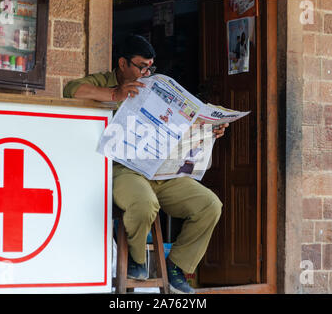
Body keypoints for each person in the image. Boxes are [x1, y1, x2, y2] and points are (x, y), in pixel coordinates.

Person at [64, 34, 229, 294]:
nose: (146, 72)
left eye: (150, 67)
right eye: (141, 66)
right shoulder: (104, 81)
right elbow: (71, 90)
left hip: (161, 171)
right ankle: (137, 261)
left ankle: (176, 267)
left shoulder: (155, 87)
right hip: (124, 170)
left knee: (209, 204)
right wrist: (114, 94)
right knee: (144, 203)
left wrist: (207, 130)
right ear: (122, 63)